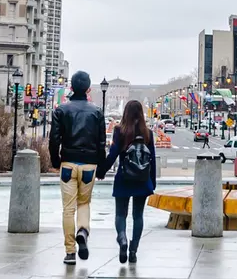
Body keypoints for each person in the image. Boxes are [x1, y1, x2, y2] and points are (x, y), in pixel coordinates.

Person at [48, 71, 106, 265]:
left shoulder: (61, 110)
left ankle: (70, 251)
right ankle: (83, 230)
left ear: (71, 88)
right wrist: (102, 167)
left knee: (67, 209)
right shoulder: (97, 112)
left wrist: (56, 161)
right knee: (84, 204)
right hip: (89, 164)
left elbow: (54, 140)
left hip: (68, 163)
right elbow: (101, 143)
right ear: (89, 89)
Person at [101, 100, 156, 264]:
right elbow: (152, 159)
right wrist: (152, 182)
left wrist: (101, 171)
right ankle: (133, 250)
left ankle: (122, 238)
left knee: (120, 214)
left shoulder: (120, 131)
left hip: (124, 177)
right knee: (138, 216)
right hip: (142, 179)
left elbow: (113, 154)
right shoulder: (148, 133)